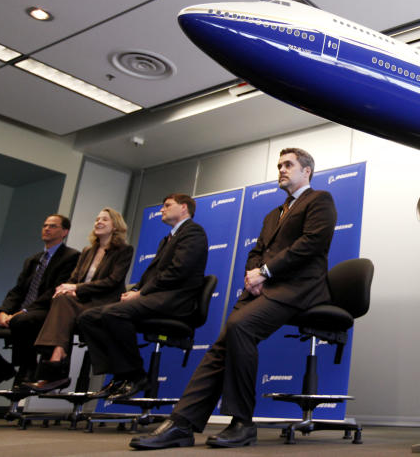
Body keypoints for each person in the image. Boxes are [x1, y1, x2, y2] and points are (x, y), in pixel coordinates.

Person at [131, 148, 336, 450]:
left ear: (306, 171)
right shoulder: (272, 214)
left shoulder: (320, 200)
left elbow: (312, 243)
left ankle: (242, 422)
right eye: (279, 165)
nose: (281, 169)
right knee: (220, 346)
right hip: (262, 288)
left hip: (299, 288)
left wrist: (265, 272)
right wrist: (252, 275)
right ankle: (181, 424)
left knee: (240, 327)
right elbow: (256, 251)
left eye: (288, 165)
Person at [78, 194, 207, 401]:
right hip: (156, 298)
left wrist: (140, 293)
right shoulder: (167, 239)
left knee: (114, 313)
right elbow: (152, 275)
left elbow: (177, 271)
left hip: (175, 302)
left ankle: (136, 376)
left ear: (184, 208)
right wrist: (135, 290)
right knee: (88, 317)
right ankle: (120, 376)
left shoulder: (193, 232)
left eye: (167, 206)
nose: (162, 209)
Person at [0, 215, 79, 391]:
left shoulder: (71, 256)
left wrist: (24, 311)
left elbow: (54, 291)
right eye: (44, 225)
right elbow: (17, 290)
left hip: (46, 311)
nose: (47, 228)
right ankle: (1, 367)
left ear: (64, 231)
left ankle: (27, 367)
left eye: (53, 226)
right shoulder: (33, 259)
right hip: (17, 312)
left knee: (21, 321)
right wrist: (3, 312)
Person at [23, 208, 134, 392]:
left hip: (104, 302)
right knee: (61, 297)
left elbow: (112, 282)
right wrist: (66, 287)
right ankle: (57, 360)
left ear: (115, 225)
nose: (98, 222)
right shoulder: (88, 251)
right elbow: (75, 278)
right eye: (97, 219)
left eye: (104, 219)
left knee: (64, 301)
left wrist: (76, 288)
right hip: (80, 301)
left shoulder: (124, 250)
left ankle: (55, 369)